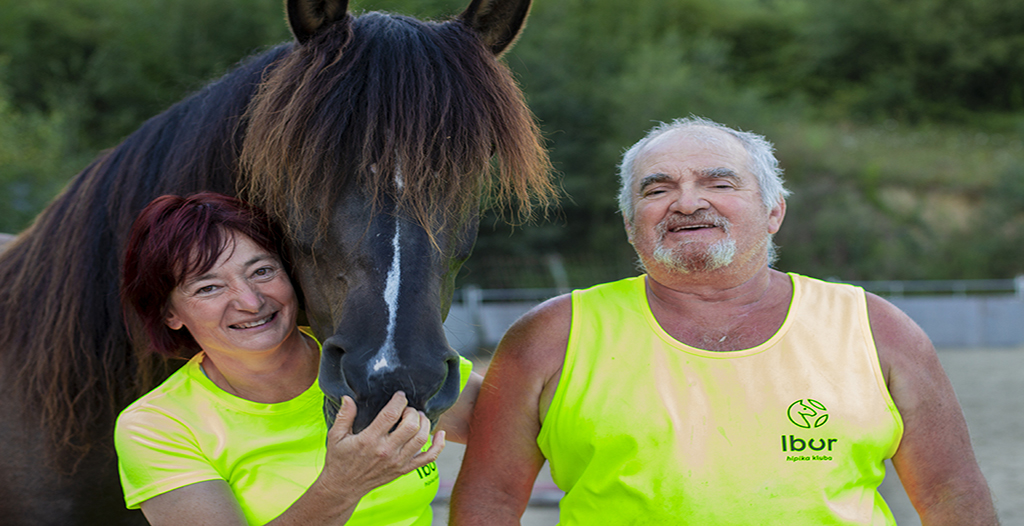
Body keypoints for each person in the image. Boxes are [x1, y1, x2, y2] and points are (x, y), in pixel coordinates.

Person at [449, 116, 999, 525]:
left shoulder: (878, 329)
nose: (687, 203)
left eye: (719, 183)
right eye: (657, 188)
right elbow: (489, 500)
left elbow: (952, 494)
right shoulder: (549, 337)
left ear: (774, 210)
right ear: (629, 223)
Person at [115, 192, 481, 526]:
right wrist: (342, 485)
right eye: (208, 287)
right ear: (169, 314)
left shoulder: (366, 361)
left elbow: (521, 417)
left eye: (262, 271)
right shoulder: (157, 427)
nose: (251, 301)